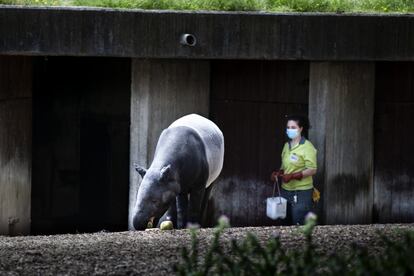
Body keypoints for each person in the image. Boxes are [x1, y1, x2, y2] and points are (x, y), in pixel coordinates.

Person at [270, 115, 317, 225]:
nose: (290, 130)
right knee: (284, 223)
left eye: (293, 127)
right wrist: (278, 173)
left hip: (302, 193)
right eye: (288, 127)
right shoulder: (286, 146)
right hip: (285, 191)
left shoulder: (307, 146)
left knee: (299, 224)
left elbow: (312, 169)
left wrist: (292, 176)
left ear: (300, 129)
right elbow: (284, 167)